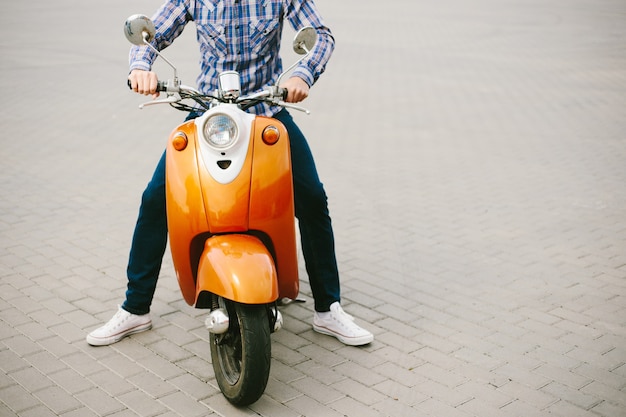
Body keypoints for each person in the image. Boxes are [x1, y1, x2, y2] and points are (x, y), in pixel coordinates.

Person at [86, 0, 373, 347]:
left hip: (266, 110)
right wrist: (141, 67)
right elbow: (153, 34)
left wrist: (302, 73)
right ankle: (135, 308)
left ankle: (328, 309)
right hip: (207, 112)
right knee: (156, 198)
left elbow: (322, 37)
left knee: (312, 196)